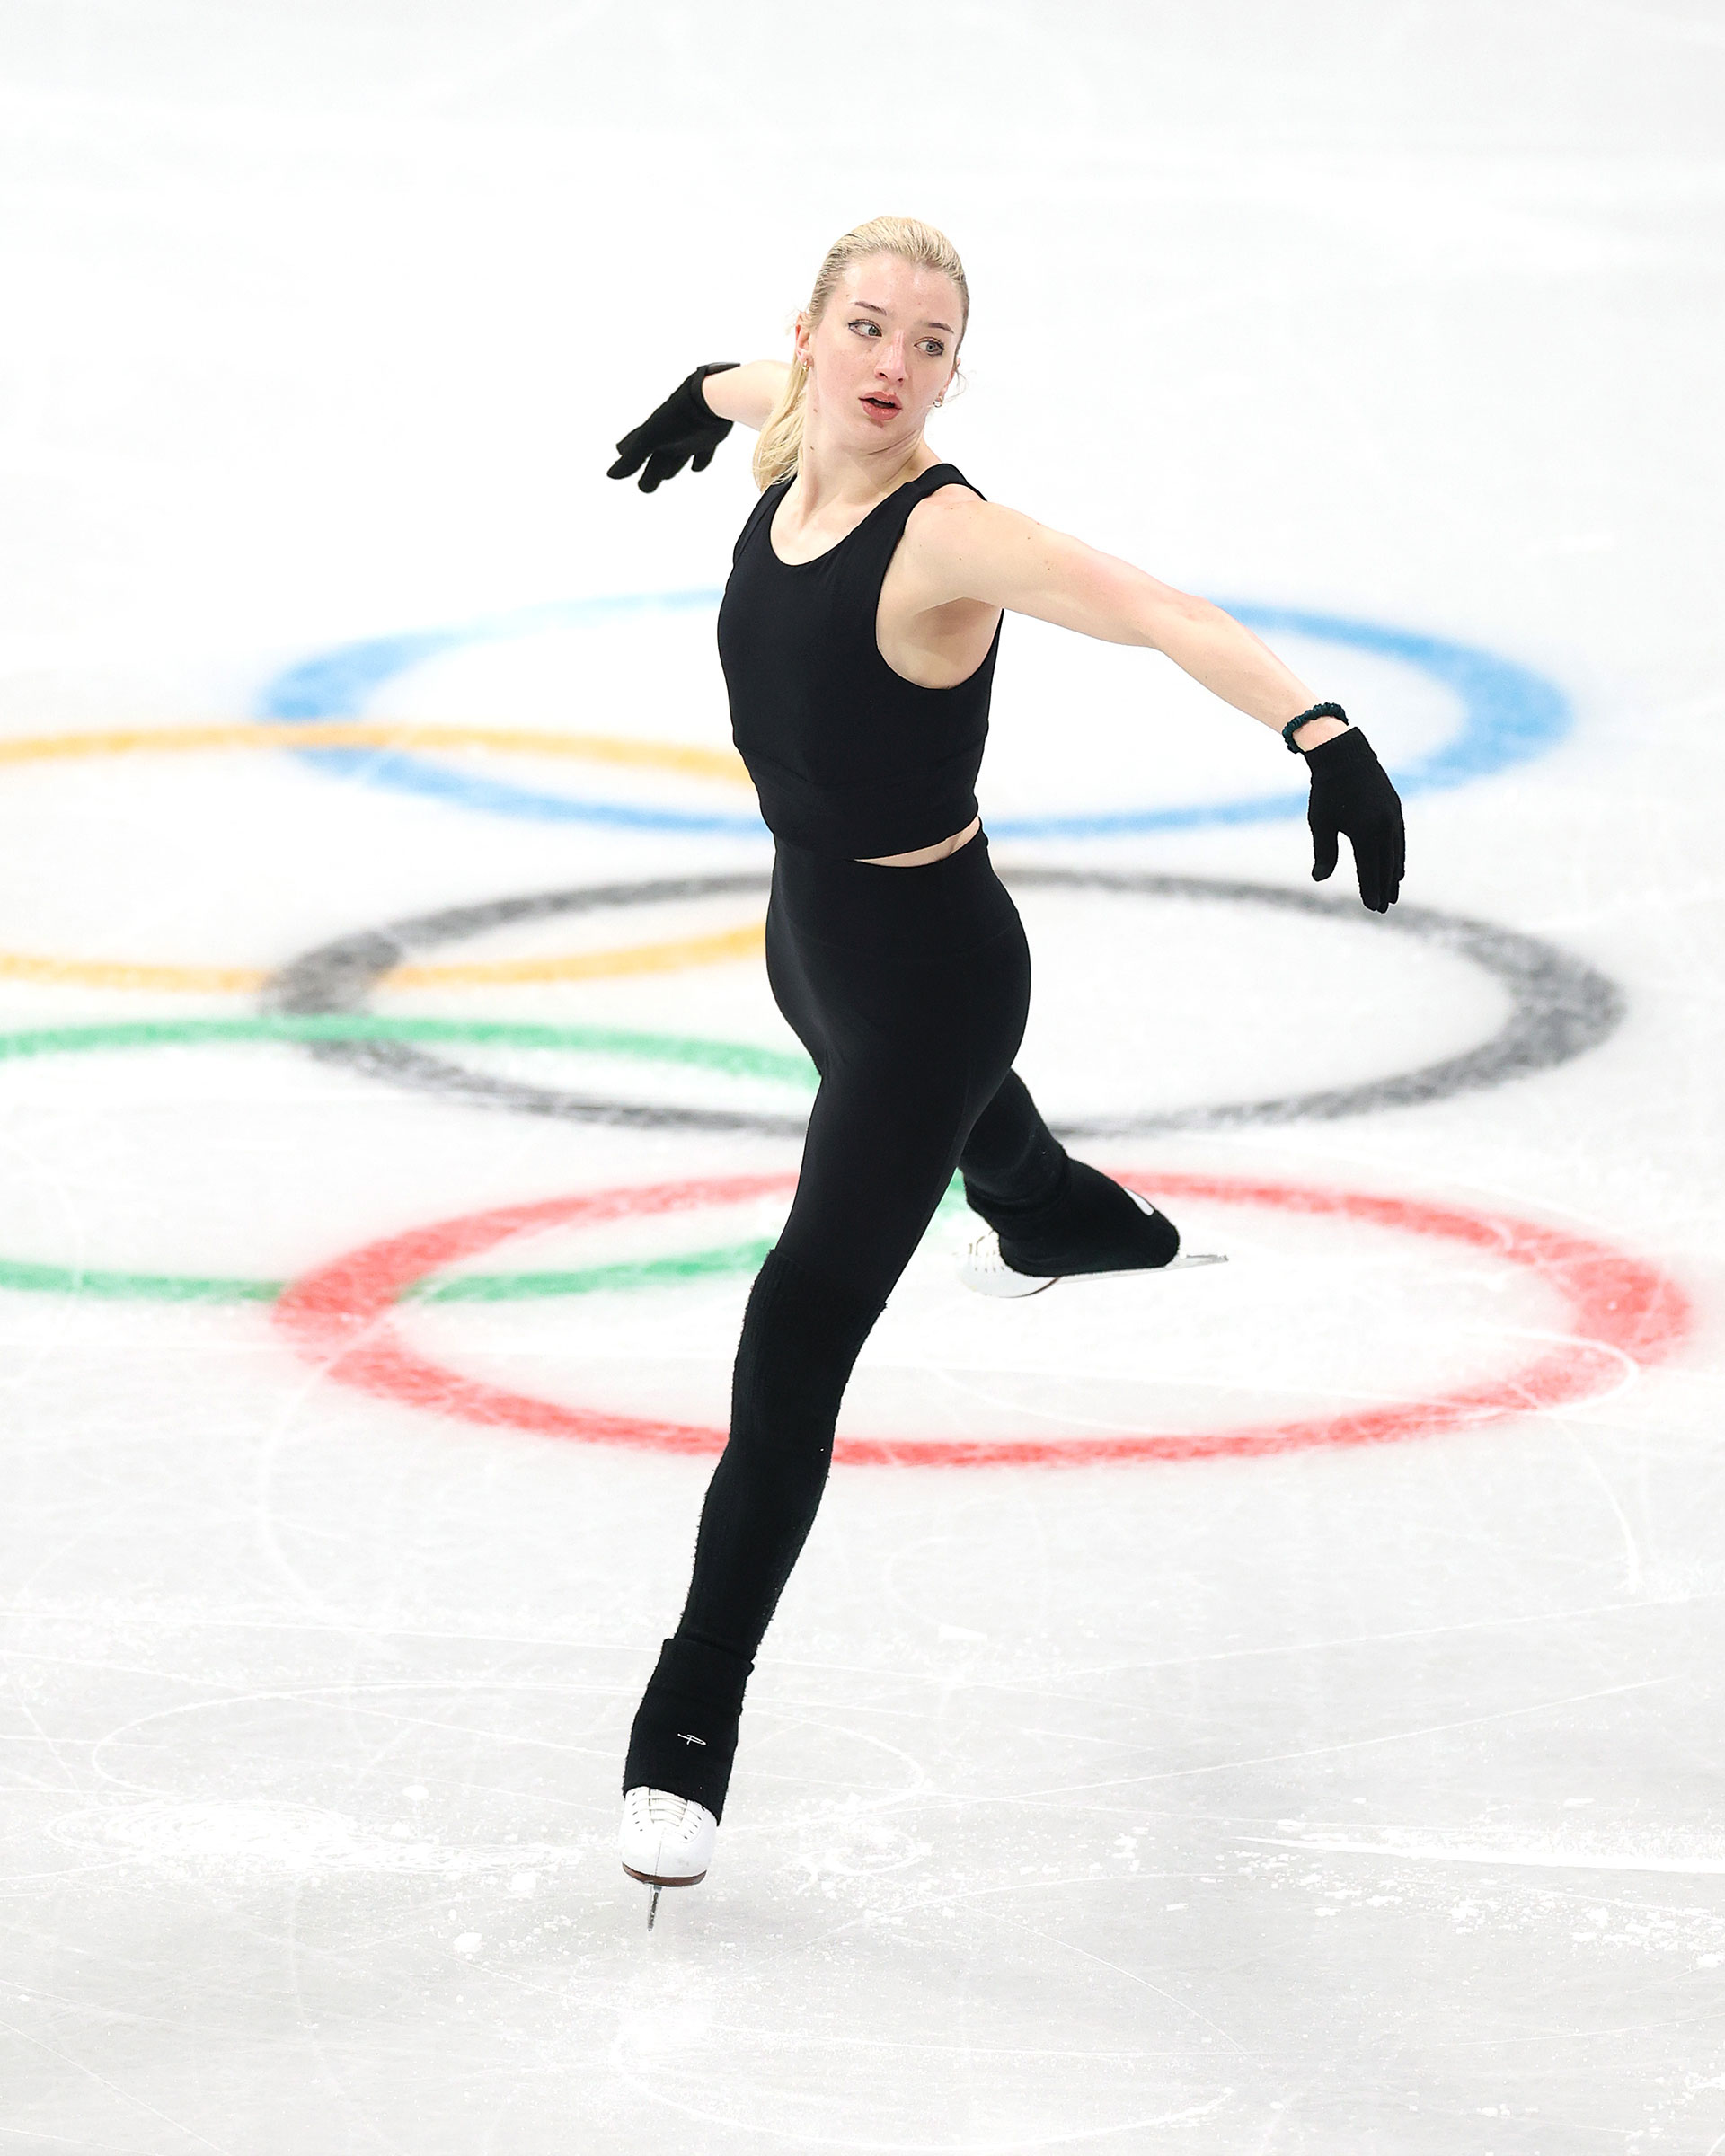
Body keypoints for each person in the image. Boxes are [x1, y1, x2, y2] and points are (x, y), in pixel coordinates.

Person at [606, 216, 1404, 1920]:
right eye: (870, 330)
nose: (895, 369)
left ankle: (691, 1713)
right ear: (815, 331)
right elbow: (750, 385)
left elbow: (1154, 609)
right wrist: (691, 385)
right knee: (981, 1155)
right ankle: (1057, 1223)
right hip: (809, 938)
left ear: (957, 371)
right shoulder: (786, 430)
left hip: (932, 982)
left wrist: (1319, 732)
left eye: (935, 345)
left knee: (798, 1320)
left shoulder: (944, 538)